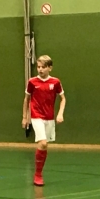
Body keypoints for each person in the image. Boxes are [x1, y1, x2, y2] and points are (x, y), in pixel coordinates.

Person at [22, 55, 66, 186]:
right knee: (43, 143)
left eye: (43, 67)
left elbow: (63, 99)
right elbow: (26, 99)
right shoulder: (32, 82)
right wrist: (25, 117)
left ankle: (39, 171)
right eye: (38, 67)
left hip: (49, 117)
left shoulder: (55, 82)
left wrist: (60, 113)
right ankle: (38, 175)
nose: (40, 69)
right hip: (36, 116)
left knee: (44, 146)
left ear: (50, 68)